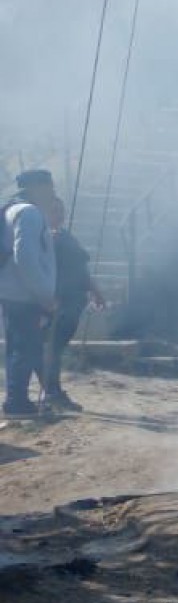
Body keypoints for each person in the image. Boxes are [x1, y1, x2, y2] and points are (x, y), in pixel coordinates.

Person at [22, 173, 106, 413]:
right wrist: (45, 298)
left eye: (60, 210)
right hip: (54, 302)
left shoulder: (67, 237)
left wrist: (96, 291)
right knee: (50, 348)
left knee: (54, 348)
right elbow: (36, 270)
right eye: (53, 210)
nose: (58, 214)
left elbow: (81, 269)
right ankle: (52, 392)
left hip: (73, 301)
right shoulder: (42, 239)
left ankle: (53, 391)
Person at [0, 171, 56, 420]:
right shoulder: (30, 213)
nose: (52, 193)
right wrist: (44, 293)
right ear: (37, 187)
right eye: (49, 187)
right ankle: (16, 403)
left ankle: (16, 400)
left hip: (12, 291)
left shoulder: (10, 209)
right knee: (25, 349)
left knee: (18, 348)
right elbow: (25, 257)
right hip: (24, 293)